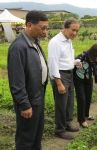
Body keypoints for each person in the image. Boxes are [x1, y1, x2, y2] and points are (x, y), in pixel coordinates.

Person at [7, 10, 48, 150]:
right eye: (42, 28)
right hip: (29, 99)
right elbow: (16, 80)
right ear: (29, 25)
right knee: (26, 139)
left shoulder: (34, 42)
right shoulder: (19, 47)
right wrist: (24, 104)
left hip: (38, 94)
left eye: (46, 28)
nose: (45, 32)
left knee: (36, 134)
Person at [48, 18, 80, 140]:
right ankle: (59, 130)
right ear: (65, 28)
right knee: (61, 104)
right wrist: (59, 83)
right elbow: (53, 64)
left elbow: (65, 59)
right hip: (60, 76)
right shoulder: (56, 42)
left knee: (69, 102)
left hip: (69, 74)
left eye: (77, 31)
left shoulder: (68, 40)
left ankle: (67, 123)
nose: (75, 33)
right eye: (73, 30)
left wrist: (75, 63)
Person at [74, 43, 97, 128]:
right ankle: (81, 120)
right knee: (82, 99)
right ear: (94, 53)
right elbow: (72, 65)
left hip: (88, 79)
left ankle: (86, 114)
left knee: (88, 98)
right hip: (78, 80)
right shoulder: (82, 57)